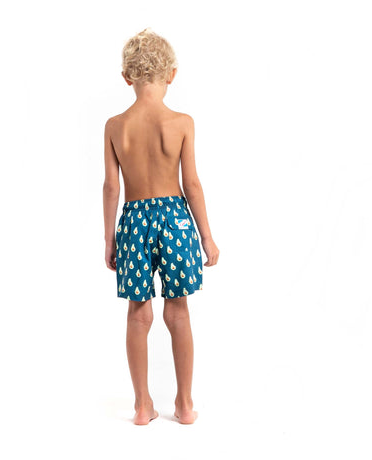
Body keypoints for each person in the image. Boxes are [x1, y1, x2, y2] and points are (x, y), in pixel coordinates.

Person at [103, 27, 219, 425]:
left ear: (126, 77)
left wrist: (110, 240)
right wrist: (207, 237)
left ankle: (142, 406)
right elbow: (192, 185)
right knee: (179, 313)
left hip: (134, 221)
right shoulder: (181, 122)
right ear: (172, 74)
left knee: (138, 314)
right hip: (175, 220)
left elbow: (111, 187)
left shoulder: (115, 126)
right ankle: (184, 405)